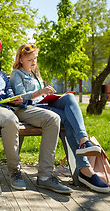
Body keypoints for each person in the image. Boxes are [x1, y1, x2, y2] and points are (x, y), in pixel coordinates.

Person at [0, 37, 73, 194]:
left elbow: (11, 93)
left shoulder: (0, 75)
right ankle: (14, 171)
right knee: (11, 120)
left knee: (53, 119)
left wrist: (16, 99)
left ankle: (45, 176)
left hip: (14, 106)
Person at [10, 44, 109, 193]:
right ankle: (85, 170)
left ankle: (84, 142)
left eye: (35, 58)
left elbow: (42, 96)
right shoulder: (17, 74)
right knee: (68, 119)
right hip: (33, 109)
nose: (33, 62)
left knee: (69, 97)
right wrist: (39, 92)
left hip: (45, 104)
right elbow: (20, 98)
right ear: (21, 59)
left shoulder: (35, 74)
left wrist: (47, 94)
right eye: (30, 59)